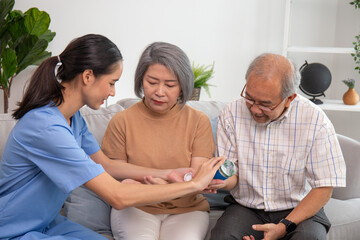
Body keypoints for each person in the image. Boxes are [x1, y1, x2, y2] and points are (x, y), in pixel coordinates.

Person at [0, 34, 225, 240]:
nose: (113, 93)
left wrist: (167, 173)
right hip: (14, 229)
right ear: (88, 76)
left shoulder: (72, 118)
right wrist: (194, 184)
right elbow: (117, 196)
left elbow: (106, 164)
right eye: (112, 83)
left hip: (46, 222)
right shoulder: (46, 127)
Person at [209, 53, 346, 240]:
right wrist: (222, 181)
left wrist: (284, 226)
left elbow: (324, 188)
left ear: (289, 99)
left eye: (266, 104)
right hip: (247, 208)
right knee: (222, 236)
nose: (255, 109)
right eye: (249, 98)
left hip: (299, 209)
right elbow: (233, 173)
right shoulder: (231, 114)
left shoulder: (315, 121)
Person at [99, 41, 216, 240]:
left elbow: (196, 177)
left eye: (170, 85)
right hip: (136, 205)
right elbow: (114, 171)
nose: (159, 92)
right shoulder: (122, 121)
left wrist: (161, 184)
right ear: (140, 80)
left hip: (186, 209)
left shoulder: (198, 121)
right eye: (152, 82)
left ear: (182, 87)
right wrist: (166, 181)